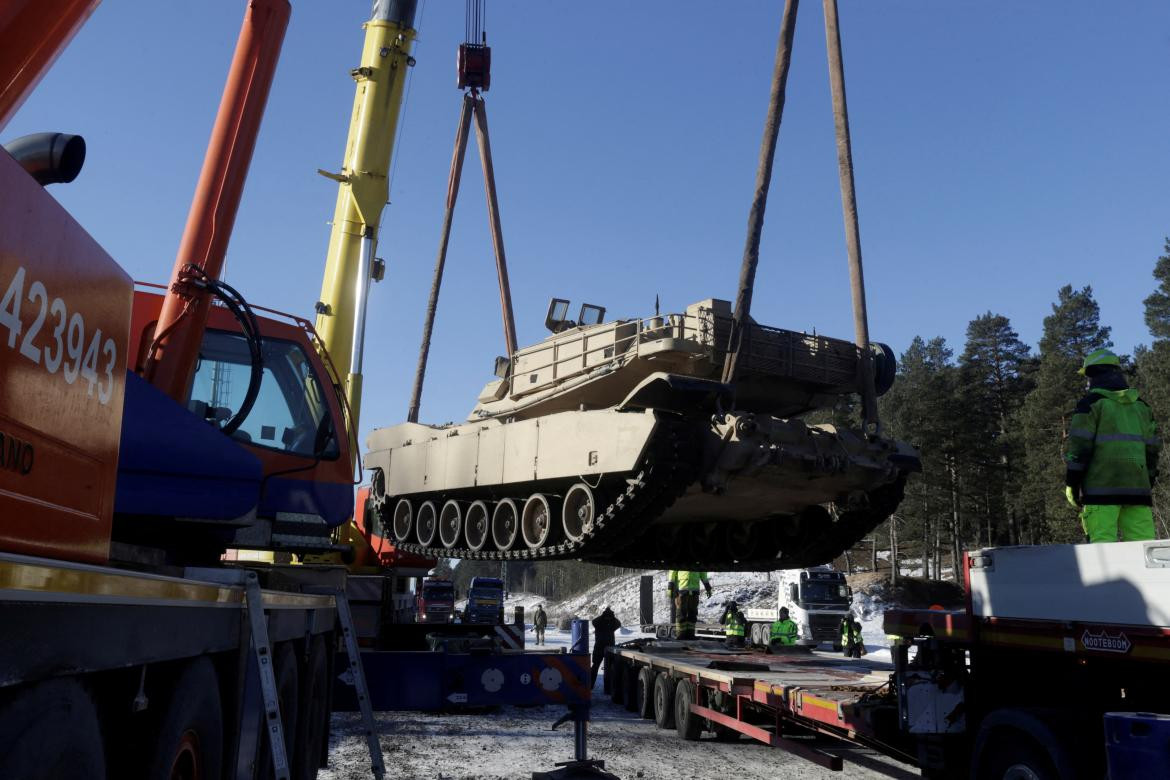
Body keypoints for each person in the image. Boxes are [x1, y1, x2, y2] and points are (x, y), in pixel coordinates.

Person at [1064, 349, 1161, 543]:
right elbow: (1152, 450)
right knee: (1144, 552)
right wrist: (1148, 479)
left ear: (1092, 375)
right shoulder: (1141, 406)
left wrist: (1072, 483)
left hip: (1101, 492)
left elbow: (1079, 447)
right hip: (1137, 491)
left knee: (1102, 552)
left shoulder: (1090, 404)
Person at [667, 570, 712, 640]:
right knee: (681, 614)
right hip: (681, 590)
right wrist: (670, 587)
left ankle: (691, 634)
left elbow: (703, 573)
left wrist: (708, 587)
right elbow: (672, 572)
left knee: (693, 614)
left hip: (694, 591)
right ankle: (680, 635)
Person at [590, 604, 621, 686]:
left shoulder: (600, 622)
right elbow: (618, 623)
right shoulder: (611, 622)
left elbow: (594, 622)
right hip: (606, 647)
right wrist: (610, 617)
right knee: (603, 667)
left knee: (596, 666)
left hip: (602, 647)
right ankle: (605, 686)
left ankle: (590, 685)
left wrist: (604, 616)